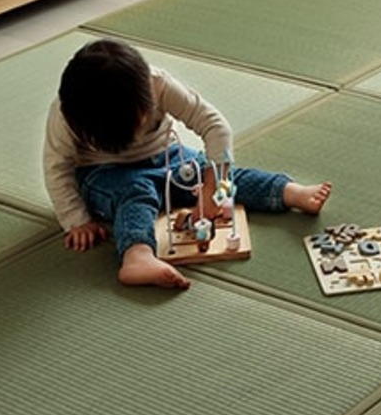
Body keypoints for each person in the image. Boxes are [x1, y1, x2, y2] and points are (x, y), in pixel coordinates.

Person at [43, 38, 332, 289]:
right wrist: (77, 221)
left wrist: (212, 185)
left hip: (168, 157)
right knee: (135, 193)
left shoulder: (157, 84)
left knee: (214, 171)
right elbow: (57, 167)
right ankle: (136, 256)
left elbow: (214, 126)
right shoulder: (67, 115)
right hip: (104, 173)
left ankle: (287, 191)